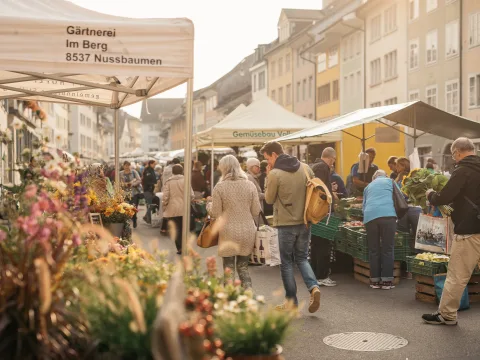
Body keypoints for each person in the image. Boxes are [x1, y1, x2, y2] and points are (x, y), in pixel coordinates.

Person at [422, 137, 480, 326]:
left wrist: (431, 195)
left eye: (454, 155)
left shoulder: (463, 170)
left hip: (469, 231)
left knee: (457, 275)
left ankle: (447, 314)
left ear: (457, 152)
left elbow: (445, 196)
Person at [261, 141, 321, 313]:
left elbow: (269, 199)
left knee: (286, 263)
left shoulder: (275, 174)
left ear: (273, 154)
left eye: (267, 159)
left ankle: (291, 303)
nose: (268, 163)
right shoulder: (305, 168)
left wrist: (268, 177)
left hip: (286, 224)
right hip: (304, 221)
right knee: (302, 258)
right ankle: (313, 287)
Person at [208, 155, 261, 289]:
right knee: (243, 267)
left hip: (228, 232)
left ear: (223, 168)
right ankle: (248, 295)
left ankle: (229, 299)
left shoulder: (220, 187)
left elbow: (215, 213)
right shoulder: (250, 185)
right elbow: (256, 211)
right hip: (248, 231)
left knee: (229, 267)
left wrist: (209, 205)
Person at [362, 170, 397, 290]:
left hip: (370, 217)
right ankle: (387, 281)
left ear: (374, 178)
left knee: (373, 249)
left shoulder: (368, 187)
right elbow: (400, 197)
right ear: (385, 175)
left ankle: (375, 281)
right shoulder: (390, 182)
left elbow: (364, 205)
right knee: (387, 248)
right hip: (388, 216)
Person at [310, 147, 337, 287]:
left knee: (316, 244)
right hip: (321, 212)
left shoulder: (316, 166)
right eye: (333, 160)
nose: (333, 163)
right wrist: (329, 199)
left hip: (316, 212)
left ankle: (315, 275)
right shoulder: (322, 167)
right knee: (323, 245)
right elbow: (320, 191)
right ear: (331, 158)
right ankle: (322, 275)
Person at [162, 164, 194, 255]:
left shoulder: (168, 182)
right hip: (185, 209)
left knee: (176, 229)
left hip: (173, 209)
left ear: (172, 172)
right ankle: (186, 246)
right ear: (182, 171)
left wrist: (164, 206)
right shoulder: (186, 181)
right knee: (184, 228)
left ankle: (179, 248)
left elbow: (165, 197)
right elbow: (191, 195)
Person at [394, 157, 421, 252]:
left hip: (403, 209)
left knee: (403, 236)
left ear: (403, 166)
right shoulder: (415, 176)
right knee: (418, 236)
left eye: (398, 165)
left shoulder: (400, 178)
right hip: (416, 208)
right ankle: (417, 257)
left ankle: (405, 257)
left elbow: (398, 194)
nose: (396, 168)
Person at [120, 161, 143, 229]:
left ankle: (134, 219)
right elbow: (117, 182)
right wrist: (123, 184)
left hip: (134, 193)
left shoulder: (134, 172)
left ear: (130, 166)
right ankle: (126, 222)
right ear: (123, 166)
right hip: (124, 193)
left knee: (133, 207)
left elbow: (139, 180)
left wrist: (132, 184)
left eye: (128, 165)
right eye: (125, 165)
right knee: (125, 208)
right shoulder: (120, 173)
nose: (127, 167)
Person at [142, 160, 157, 225]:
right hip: (148, 190)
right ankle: (146, 217)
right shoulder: (148, 171)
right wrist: (153, 184)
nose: (155, 165)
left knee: (151, 204)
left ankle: (149, 218)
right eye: (154, 164)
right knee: (150, 205)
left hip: (151, 190)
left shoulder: (151, 170)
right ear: (151, 164)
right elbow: (147, 181)